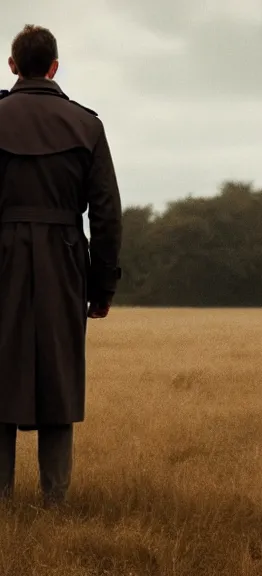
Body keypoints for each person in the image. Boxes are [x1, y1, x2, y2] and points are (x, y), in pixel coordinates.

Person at [0, 24, 123, 506]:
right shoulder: (86, 125)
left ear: (13, 67)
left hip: (2, 258)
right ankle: (56, 500)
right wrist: (103, 288)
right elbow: (107, 214)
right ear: (54, 67)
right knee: (59, 371)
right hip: (65, 261)